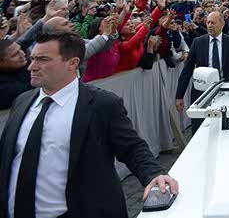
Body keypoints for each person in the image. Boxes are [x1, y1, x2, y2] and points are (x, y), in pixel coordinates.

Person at [0, 31, 178, 218]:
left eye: (43, 59)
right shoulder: (22, 102)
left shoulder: (102, 104)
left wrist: (154, 174)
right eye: (33, 58)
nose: (32, 66)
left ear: (72, 63)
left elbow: (131, 147)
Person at [175, 12, 229, 129]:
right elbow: (187, 70)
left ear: (222, 24)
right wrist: (179, 96)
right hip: (202, 94)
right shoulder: (198, 42)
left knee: (224, 127)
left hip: (225, 92)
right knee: (200, 128)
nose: (210, 25)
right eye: (208, 23)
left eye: (213, 23)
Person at [0, 41, 32, 109]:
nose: (23, 54)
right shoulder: (4, 89)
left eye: (20, 49)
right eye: (15, 55)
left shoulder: (24, 65)